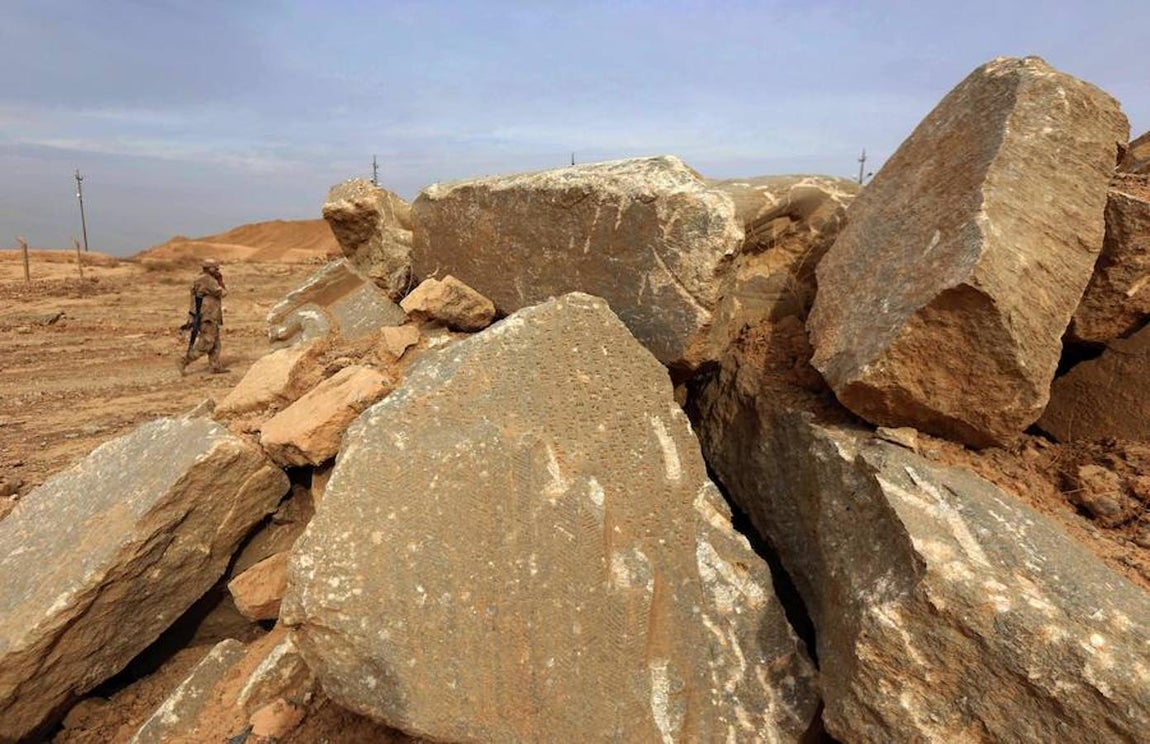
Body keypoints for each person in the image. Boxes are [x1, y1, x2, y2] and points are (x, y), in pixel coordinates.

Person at [179, 258, 228, 375]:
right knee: (207, 342)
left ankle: (215, 366)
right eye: (215, 268)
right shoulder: (207, 280)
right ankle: (184, 361)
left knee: (215, 342)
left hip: (209, 314)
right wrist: (220, 281)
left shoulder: (202, 278)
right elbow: (223, 293)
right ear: (209, 268)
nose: (217, 270)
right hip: (207, 315)